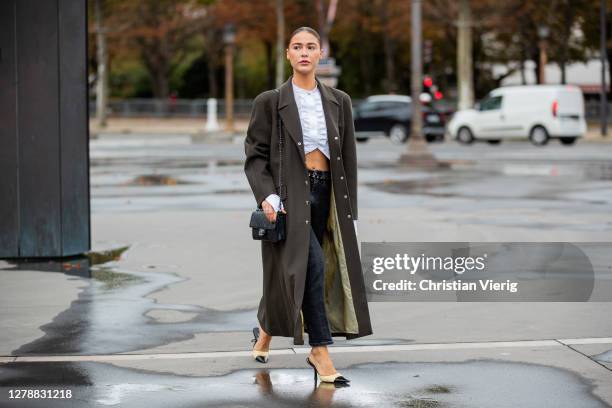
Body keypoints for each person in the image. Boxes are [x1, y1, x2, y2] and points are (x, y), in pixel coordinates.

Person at [244, 26, 372, 384]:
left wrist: (351, 215)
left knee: (296, 270)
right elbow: (255, 156)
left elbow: (348, 158)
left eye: (310, 47)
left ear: (320, 54)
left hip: (327, 196)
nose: (304, 52)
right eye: (297, 47)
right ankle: (320, 351)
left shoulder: (339, 101)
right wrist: (267, 196)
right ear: (287, 54)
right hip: (288, 201)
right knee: (313, 267)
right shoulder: (269, 101)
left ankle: (266, 329)